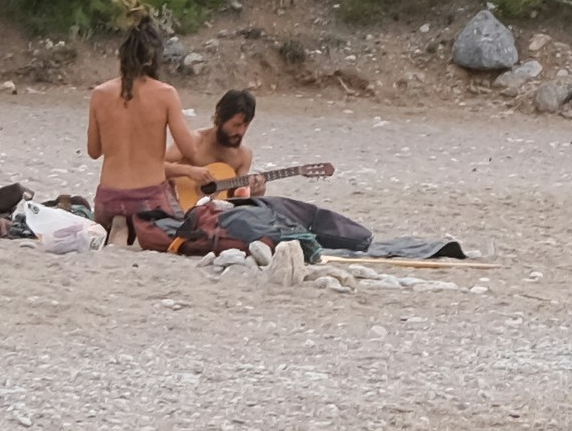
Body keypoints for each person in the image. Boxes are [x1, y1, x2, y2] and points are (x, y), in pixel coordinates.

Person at [184, 88, 378, 257]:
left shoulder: (243, 154)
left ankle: (347, 237)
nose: (241, 132)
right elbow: (158, 167)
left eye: (245, 126)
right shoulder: (195, 141)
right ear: (219, 118)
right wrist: (190, 171)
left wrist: (256, 192)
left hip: (216, 215)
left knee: (273, 208)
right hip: (183, 209)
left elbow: (235, 198)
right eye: (236, 125)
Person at [84, 16, 191, 244]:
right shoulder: (166, 94)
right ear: (154, 57)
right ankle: (138, 225)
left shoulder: (100, 94)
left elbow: (93, 151)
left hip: (108, 197)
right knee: (182, 228)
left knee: (114, 213)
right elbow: (188, 148)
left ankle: (119, 224)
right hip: (149, 198)